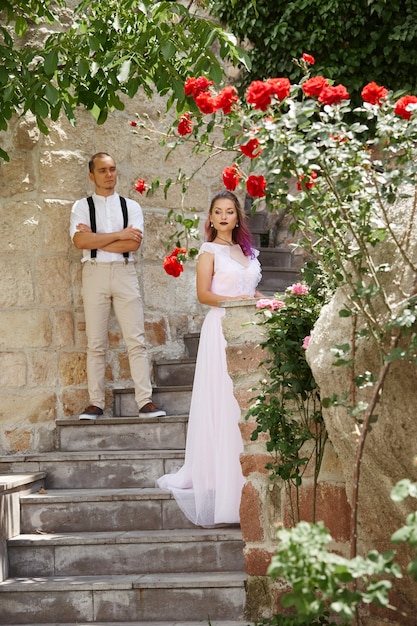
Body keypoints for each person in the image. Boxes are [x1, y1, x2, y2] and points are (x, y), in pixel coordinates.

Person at [157, 190, 262, 526]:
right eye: (218, 211)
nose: (223, 217)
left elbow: (252, 290)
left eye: (229, 211)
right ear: (211, 217)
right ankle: (223, 488)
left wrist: (269, 303)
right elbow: (204, 294)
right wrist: (237, 304)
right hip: (220, 329)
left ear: (237, 217)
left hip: (250, 329)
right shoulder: (209, 252)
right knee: (224, 401)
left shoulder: (247, 251)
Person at [69, 152, 166, 420]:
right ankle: (95, 403)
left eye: (112, 169)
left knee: (136, 340)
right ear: (92, 175)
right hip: (94, 273)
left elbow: (132, 244)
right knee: (96, 343)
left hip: (125, 272)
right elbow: (80, 242)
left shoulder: (131, 207)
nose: (109, 174)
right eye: (102, 170)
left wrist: (97, 238)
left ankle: (145, 401)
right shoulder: (81, 207)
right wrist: (119, 235)